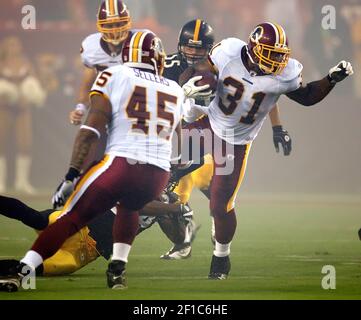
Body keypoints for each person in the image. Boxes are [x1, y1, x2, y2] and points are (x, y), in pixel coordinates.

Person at [0, 30, 186, 292]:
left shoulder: (115, 74)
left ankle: (21, 273)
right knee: (128, 208)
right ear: (159, 58)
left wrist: (71, 174)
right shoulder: (175, 89)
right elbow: (179, 135)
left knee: (69, 218)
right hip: (157, 173)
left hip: (122, 165)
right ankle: (118, 270)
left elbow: (90, 129)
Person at [180, 22, 353, 280]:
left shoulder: (286, 74)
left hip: (236, 142)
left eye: (279, 54)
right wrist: (190, 86)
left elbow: (306, 97)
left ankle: (221, 257)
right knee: (174, 158)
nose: (276, 60)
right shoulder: (228, 51)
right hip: (206, 122)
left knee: (220, 205)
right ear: (253, 48)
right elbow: (196, 70)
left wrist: (330, 80)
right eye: (270, 53)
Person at [159, 19, 293, 260]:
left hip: (214, 132)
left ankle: (208, 226)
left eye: (199, 49)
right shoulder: (169, 65)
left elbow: (262, 97)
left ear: (209, 49)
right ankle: (183, 240)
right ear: (180, 45)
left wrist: (277, 127)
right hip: (183, 130)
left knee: (206, 188)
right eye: (188, 47)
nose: (193, 53)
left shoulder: (222, 64)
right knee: (173, 187)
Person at [0, 193, 191, 278]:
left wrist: (177, 216)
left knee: (34, 268)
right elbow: (135, 205)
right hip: (78, 224)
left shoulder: (166, 203)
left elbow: (178, 238)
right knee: (33, 217)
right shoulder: (133, 184)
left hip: (86, 251)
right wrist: (174, 208)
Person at [69, 0, 132, 126]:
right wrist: (80, 108)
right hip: (105, 108)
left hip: (134, 108)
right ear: (101, 26)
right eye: (109, 25)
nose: (115, 30)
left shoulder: (140, 44)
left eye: (118, 24)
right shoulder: (92, 47)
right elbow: (88, 85)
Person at [0, 37, 46, 194]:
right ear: (5, 47)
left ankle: (22, 182)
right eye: (11, 44)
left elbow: (35, 83)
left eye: (17, 44)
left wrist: (30, 96)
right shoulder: (1, 64)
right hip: (3, 108)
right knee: (1, 143)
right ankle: (1, 183)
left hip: (23, 108)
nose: (14, 47)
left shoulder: (27, 64)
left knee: (25, 144)